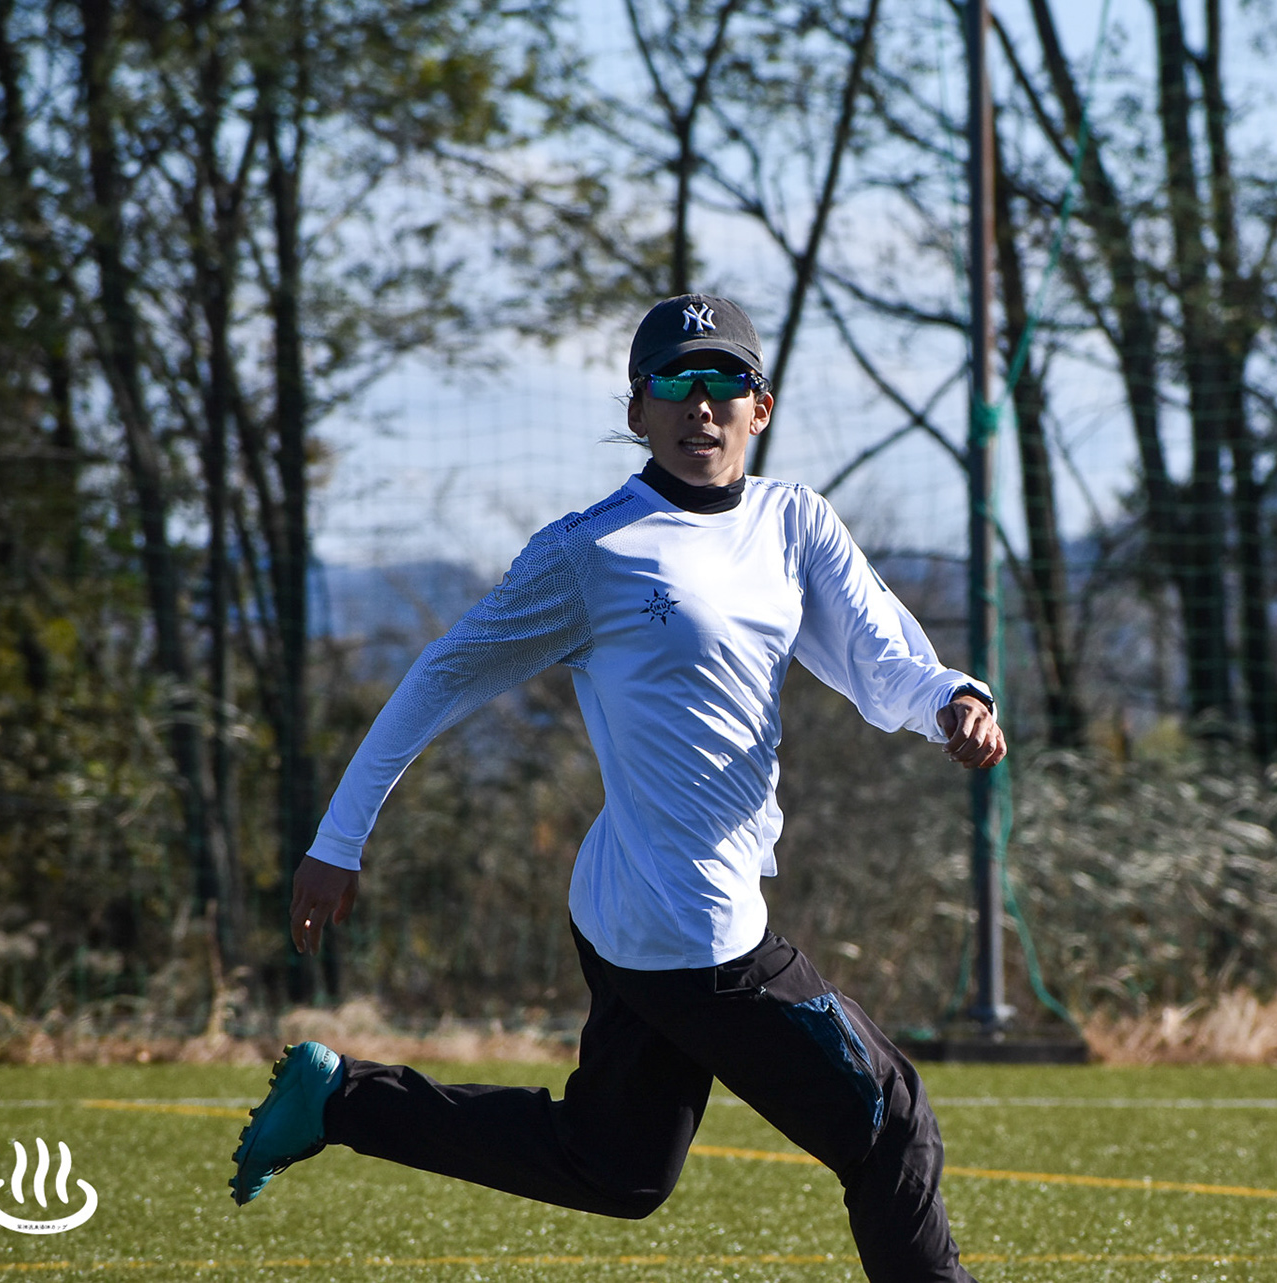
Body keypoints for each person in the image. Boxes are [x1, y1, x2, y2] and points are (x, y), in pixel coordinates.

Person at [229, 293, 1005, 1283]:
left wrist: (953, 699)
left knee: (620, 1164)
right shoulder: (590, 550)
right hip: (693, 925)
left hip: (624, 907)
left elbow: (883, 660)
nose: (700, 403)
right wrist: (338, 840)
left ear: (761, 406)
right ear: (638, 410)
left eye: (724, 380)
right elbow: (441, 677)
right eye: (673, 381)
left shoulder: (792, 522)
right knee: (889, 1118)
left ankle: (338, 1100)